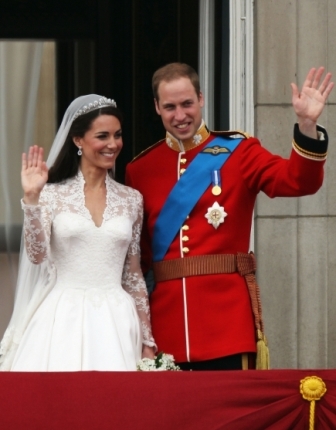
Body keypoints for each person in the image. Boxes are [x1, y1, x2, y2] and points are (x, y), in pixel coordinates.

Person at [125, 62, 334, 371]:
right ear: (157, 107)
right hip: (166, 330)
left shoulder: (240, 151)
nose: (180, 115)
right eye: (170, 107)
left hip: (227, 327)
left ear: (201, 98)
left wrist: (306, 125)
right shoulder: (140, 169)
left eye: (187, 104)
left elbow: (297, 181)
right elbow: (137, 258)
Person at [0, 94, 156, 371]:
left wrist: (147, 339)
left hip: (117, 319)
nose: (113, 144)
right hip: (61, 317)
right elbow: (36, 256)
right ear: (77, 140)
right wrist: (32, 199)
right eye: (102, 135)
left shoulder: (132, 199)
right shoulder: (51, 196)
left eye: (117, 135)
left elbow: (133, 275)